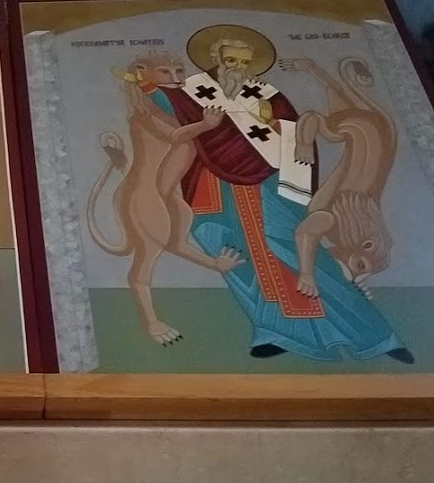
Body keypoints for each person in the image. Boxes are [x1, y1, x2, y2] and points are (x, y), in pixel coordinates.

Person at [154, 31, 411, 362]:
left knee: (293, 251)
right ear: (216, 59)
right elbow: (158, 104)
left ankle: (376, 336)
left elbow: (294, 129)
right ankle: (273, 331)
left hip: (269, 184)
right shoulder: (192, 90)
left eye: (245, 62)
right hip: (217, 190)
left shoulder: (265, 93)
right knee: (236, 257)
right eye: (230, 60)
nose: (237, 67)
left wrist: (280, 129)